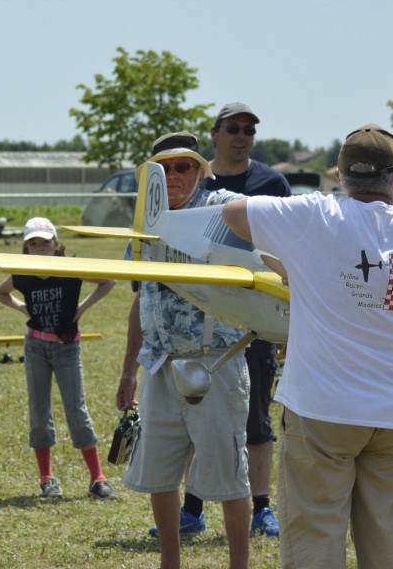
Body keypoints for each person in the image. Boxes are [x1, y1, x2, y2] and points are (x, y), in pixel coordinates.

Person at [222, 123, 393, 569]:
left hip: (321, 410)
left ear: (340, 176)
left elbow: (233, 212)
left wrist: (297, 266)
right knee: (387, 540)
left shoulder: (314, 214)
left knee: (314, 537)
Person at [150, 102, 289, 540]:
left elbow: (280, 242)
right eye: (234, 127)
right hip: (175, 346)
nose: (242, 135)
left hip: (247, 327)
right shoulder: (159, 210)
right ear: (216, 133)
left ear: (198, 171)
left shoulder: (266, 184)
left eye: (249, 128)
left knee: (255, 423)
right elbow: (144, 298)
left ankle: (261, 508)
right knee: (187, 430)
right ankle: (192, 508)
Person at [116, 131, 252, 569]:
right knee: (160, 473)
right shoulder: (145, 222)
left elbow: (258, 224)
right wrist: (128, 371)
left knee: (228, 472)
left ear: (200, 172)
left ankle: (239, 564)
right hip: (159, 364)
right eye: (164, 168)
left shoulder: (220, 208)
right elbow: (141, 298)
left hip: (215, 359)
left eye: (184, 167)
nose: (174, 176)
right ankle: (169, 562)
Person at [0, 217, 117, 499]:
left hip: (66, 348)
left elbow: (107, 281)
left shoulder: (70, 269)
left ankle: (97, 478)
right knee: (39, 413)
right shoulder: (22, 273)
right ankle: (46, 478)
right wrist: (24, 308)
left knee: (77, 411)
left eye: (45, 243)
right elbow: (0, 292)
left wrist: (83, 308)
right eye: (33, 244)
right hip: (36, 347)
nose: (40, 248)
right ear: (26, 248)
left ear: (56, 244)